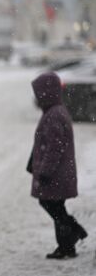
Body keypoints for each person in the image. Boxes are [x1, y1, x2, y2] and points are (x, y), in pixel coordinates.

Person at [28, 72, 87, 259]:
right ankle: (68, 242)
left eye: (39, 93)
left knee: (52, 204)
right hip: (59, 171)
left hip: (56, 173)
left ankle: (70, 238)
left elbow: (55, 147)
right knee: (55, 206)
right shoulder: (54, 111)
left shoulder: (54, 115)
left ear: (47, 93)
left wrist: (45, 171)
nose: (36, 98)